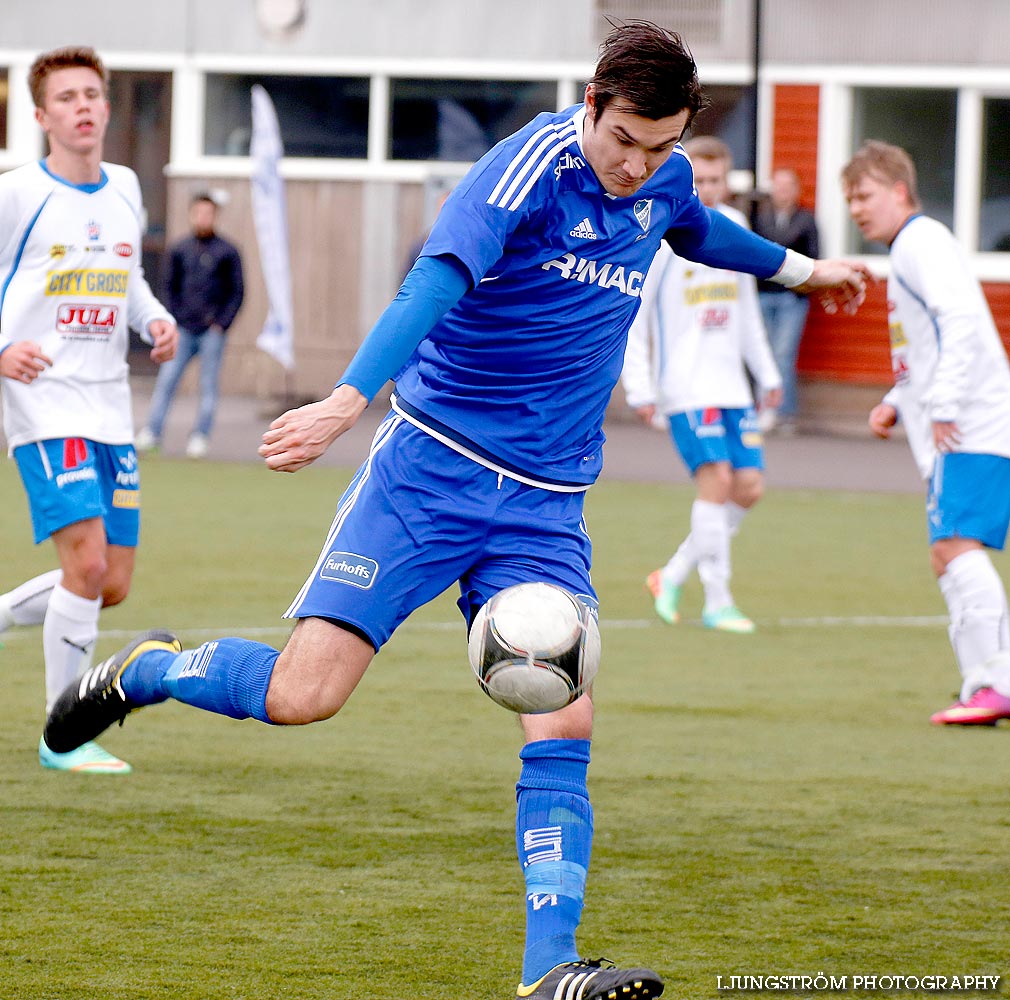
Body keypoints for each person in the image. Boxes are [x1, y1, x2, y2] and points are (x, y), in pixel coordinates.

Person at [43, 23, 865, 997]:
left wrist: (803, 271)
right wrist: (347, 402)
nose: (635, 167)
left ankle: (547, 967)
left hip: (546, 501)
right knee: (302, 696)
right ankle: (150, 669)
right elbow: (433, 283)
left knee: (563, 710)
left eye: (659, 147)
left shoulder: (663, 178)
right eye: (622, 142)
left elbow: (699, 230)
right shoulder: (521, 172)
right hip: (427, 471)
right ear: (592, 102)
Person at [0, 46, 178, 773]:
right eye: (66, 97)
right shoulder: (16, 192)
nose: (82, 105)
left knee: (110, 583)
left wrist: (155, 319)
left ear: (106, 107)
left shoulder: (127, 187)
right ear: (41, 117)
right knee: (86, 563)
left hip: (110, 405)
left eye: (92, 94)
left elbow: (126, 276)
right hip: (43, 402)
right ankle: (61, 735)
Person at [843, 140, 1010, 726]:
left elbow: (961, 320)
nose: (856, 210)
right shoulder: (912, 247)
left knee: (954, 547)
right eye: (849, 201)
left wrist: (940, 404)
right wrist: (898, 400)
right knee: (948, 557)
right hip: (961, 419)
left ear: (898, 191)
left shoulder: (922, 241)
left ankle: (996, 682)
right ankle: (981, 687)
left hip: (973, 421)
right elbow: (928, 344)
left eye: (864, 196)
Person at [622, 136, 782, 634]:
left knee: (749, 487)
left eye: (717, 181)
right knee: (716, 483)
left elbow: (746, 312)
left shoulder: (735, 229)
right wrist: (640, 388)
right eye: (701, 180)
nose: (709, 189)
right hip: (687, 386)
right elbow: (637, 314)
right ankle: (718, 599)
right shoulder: (666, 232)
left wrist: (768, 373)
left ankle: (670, 575)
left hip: (731, 384)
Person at [135, 192, 244, 459]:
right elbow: (168, 286)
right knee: (167, 381)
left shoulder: (227, 251)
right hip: (183, 328)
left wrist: (221, 323)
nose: (203, 218)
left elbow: (237, 291)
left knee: (208, 385)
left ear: (215, 216)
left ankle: (200, 436)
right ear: (191, 214)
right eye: (199, 212)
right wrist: (173, 317)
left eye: (208, 213)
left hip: (211, 331)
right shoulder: (180, 248)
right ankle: (153, 431)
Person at [752, 167, 820, 434]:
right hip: (763, 294)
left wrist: (802, 288)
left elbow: (814, 256)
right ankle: (764, 409)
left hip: (791, 298)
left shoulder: (805, 219)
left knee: (783, 354)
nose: (781, 192)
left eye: (786, 187)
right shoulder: (759, 217)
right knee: (763, 353)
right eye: (777, 186)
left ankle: (785, 413)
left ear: (795, 190)